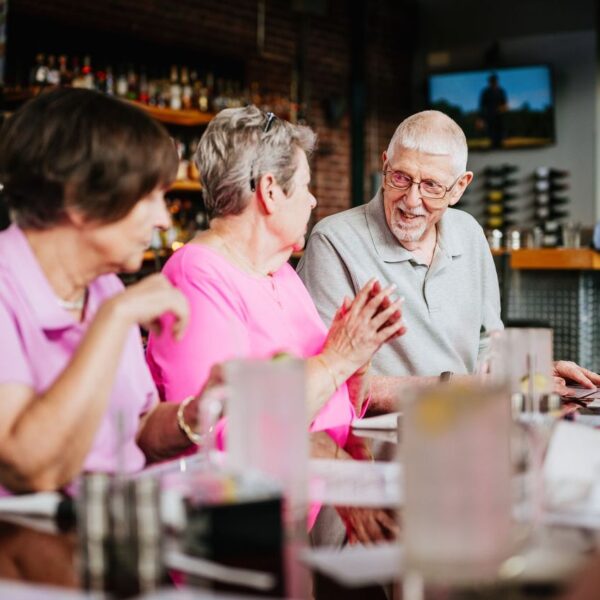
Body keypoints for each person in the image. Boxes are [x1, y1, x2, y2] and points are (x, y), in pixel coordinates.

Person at [146, 106, 405, 539]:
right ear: (270, 191)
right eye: (304, 186)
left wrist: (359, 356)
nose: (313, 200)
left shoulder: (280, 271)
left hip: (285, 532)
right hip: (226, 543)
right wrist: (337, 359)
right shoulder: (195, 276)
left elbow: (327, 404)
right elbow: (226, 439)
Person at [298, 110, 600, 412]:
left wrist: (530, 373)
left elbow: (486, 346)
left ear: (459, 187)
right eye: (401, 177)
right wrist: (456, 386)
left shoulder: (468, 232)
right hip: (384, 446)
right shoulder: (334, 241)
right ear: (385, 165)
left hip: (470, 425)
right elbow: (326, 382)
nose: (412, 200)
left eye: (431, 185)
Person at [0, 87, 209, 495]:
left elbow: (138, 430)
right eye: (149, 197)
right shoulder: (8, 287)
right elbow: (29, 468)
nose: (164, 220)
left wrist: (196, 413)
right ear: (79, 199)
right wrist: (114, 319)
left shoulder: (104, 286)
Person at [478, 74, 508, 149]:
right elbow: (482, 106)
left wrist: (503, 109)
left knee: (500, 136)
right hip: (490, 118)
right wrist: (481, 119)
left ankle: (500, 146)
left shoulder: (501, 91)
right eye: (492, 81)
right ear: (489, 82)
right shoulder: (486, 92)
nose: (494, 82)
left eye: (494, 81)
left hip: (500, 118)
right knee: (492, 137)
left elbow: (504, 104)